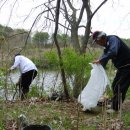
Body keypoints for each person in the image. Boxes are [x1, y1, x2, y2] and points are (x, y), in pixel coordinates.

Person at [92, 31, 130, 113]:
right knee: (114, 85)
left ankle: (115, 108)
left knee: (120, 86)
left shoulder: (113, 39)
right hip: (122, 68)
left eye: (97, 41)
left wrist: (100, 60)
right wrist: (98, 67)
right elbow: (104, 59)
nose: (97, 43)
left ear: (101, 38)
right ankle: (115, 103)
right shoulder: (106, 46)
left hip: (128, 67)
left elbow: (113, 52)